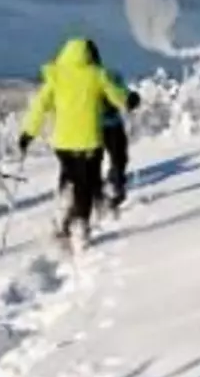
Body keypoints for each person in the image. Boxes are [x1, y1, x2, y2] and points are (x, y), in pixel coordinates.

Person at [18, 38, 130, 247]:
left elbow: (39, 107)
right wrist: (129, 99)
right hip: (89, 142)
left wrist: (27, 133)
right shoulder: (97, 75)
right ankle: (80, 225)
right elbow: (116, 96)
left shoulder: (56, 77)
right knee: (85, 184)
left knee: (70, 176)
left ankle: (64, 211)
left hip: (63, 144)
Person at [84, 39, 140, 212]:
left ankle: (105, 191)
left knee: (99, 161)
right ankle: (111, 190)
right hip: (110, 124)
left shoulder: (90, 78)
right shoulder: (109, 74)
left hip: (95, 126)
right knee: (117, 158)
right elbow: (122, 92)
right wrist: (130, 99)